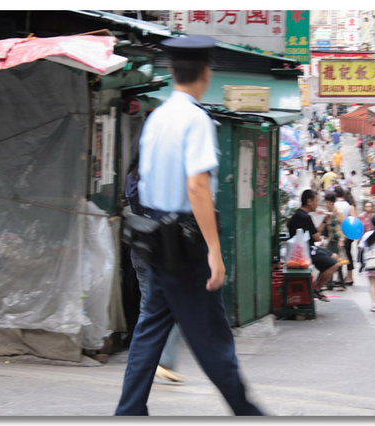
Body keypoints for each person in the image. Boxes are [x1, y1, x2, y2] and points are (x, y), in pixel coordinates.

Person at [115, 35, 262, 416]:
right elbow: (197, 186)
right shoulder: (197, 119)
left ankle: (129, 411)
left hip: (154, 237)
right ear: (206, 73)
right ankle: (247, 412)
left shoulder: (157, 117)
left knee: (150, 330)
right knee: (211, 337)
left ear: (172, 71)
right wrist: (214, 251)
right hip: (185, 241)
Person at [124, 154, 185, 384]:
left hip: (140, 249)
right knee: (177, 306)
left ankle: (141, 360)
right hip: (161, 249)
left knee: (147, 309)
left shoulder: (132, 179)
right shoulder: (157, 180)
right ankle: (164, 361)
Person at [287, 189, 341, 302]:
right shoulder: (305, 217)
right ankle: (316, 289)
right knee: (334, 265)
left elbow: (315, 233)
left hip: (308, 247)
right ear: (309, 201)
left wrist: (324, 220)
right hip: (305, 251)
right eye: (316, 201)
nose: (317, 204)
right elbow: (317, 238)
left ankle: (316, 287)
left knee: (335, 256)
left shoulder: (300, 214)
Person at [321, 192, 346, 290]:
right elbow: (326, 228)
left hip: (337, 240)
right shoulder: (328, 213)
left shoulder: (339, 213)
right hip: (330, 240)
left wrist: (342, 240)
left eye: (326, 202)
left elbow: (344, 227)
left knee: (338, 261)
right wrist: (324, 239)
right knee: (329, 260)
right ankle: (329, 283)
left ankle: (341, 283)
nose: (325, 204)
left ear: (331, 202)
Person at [334, 187, 357, 285]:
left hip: (340, 233)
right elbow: (354, 220)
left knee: (340, 255)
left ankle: (340, 277)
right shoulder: (349, 206)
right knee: (347, 254)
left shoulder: (335, 205)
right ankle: (349, 277)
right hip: (348, 233)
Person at [357, 201, 375, 272]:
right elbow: (358, 226)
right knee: (361, 251)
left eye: (370, 206)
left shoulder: (374, 216)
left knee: (371, 251)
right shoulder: (361, 216)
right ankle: (362, 264)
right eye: (367, 206)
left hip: (372, 236)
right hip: (362, 236)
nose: (368, 208)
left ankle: (370, 265)